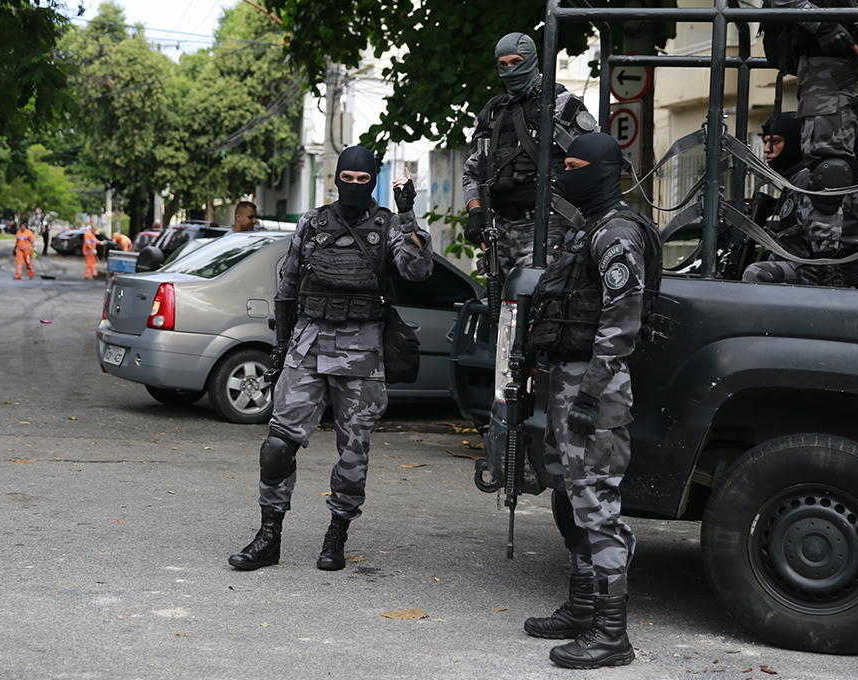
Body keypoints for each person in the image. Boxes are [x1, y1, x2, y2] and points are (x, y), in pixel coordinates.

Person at [228, 146, 432, 573]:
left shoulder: (389, 225)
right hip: (308, 343)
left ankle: (337, 535)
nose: (354, 186)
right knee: (277, 446)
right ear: (335, 178)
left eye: (363, 180)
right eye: (347, 178)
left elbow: (417, 273)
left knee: (353, 451)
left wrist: (409, 215)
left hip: (361, 350)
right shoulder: (313, 224)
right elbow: (287, 289)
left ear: (373, 181)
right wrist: (281, 349)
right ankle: (269, 537)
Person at [522, 133, 661, 669]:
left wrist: (589, 393)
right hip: (568, 381)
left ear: (603, 173)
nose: (565, 173)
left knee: (597, 506)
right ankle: (582, 608)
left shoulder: (617, 235)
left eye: (576, 166)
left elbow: (620, 325)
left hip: (594, 388)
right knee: (568, 496)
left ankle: (612, 634)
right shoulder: (588, 231)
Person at [763, 0, 858, 289]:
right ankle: (827, 263)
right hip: (828, 63)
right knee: (830, 170)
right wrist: (822, 23)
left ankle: (853, 261)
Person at [461, 31, 597, 278]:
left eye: (516, 62)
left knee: (538, 300)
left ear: (532, 60)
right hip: (501, 226)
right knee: (499, 306)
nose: (509, 70)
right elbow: (472, 171)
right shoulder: (494, 113)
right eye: (502, 65)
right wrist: (476, 213)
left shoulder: (560, 104)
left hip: (548, 223)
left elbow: (594, 159)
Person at [742, 112, 818, 284]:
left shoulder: (805, 178)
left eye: (775, 142)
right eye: (766, 142)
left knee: (757, 273)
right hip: (812, 264)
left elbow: (795, 244)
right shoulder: (796, 178)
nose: (767, 149)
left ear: (794, 142)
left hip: (826, 268)